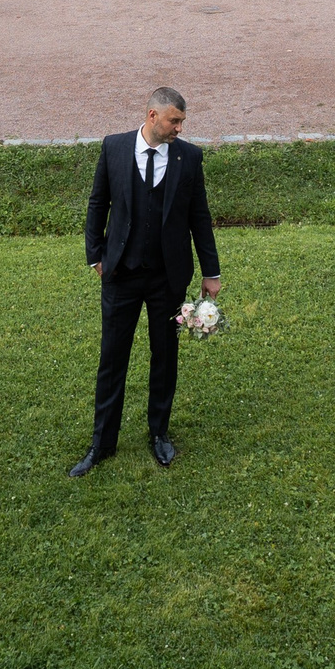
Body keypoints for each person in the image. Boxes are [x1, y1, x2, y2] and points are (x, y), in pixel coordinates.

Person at [73, 86, 222, 475]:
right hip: (120, 274)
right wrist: (96, 256)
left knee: (165, 357)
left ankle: (159, 434)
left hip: (167, 279)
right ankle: (102, 443)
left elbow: (199, 216)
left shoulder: (189, 158)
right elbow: (97, 203)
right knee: (112, 359)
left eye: (182, 122)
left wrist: (211, 272)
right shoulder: (114, 148)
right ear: (152, 116)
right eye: (174, 121)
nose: (179, 128)